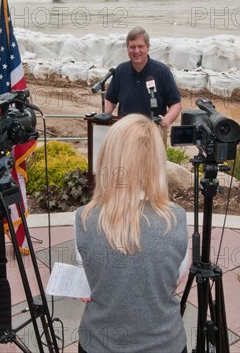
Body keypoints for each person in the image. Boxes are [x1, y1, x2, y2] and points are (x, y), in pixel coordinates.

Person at [75, 114, 189, 353]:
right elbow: (175, 277)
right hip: (164, 344)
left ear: (108, 157)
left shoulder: (84, 218)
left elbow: (88, 278)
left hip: (99, 344)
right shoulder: (176, 219)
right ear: (157, 162)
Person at [105, 26, 182, 130]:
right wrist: (104, 116)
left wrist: (165, 121)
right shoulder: (120, 71)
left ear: (148, 47)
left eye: (140, 46)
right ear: (127, 48)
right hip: (125, 132)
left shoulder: (162, 72)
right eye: (132, 47)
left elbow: (176, 104)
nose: (136, 51)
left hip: (153, 132)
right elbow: (111, 100)